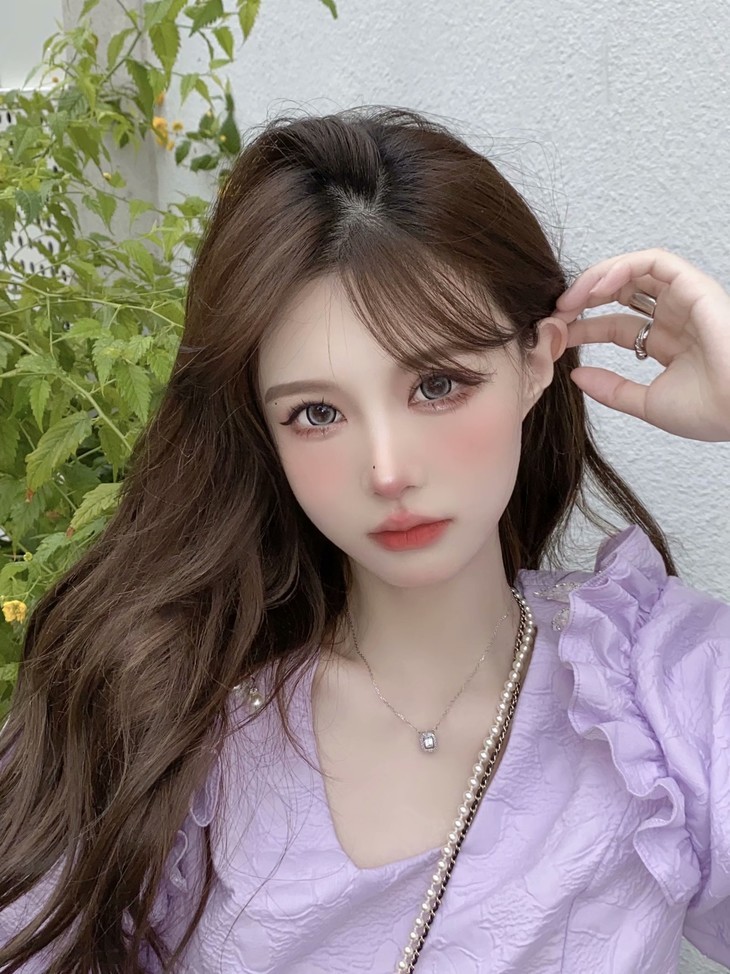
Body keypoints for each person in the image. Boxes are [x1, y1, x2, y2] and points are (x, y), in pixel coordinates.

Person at [0, 106, 728, 974]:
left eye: (437, 385)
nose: (387, 471)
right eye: (317, 413)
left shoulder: (662, 691)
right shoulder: (168, 714)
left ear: (538, 361)